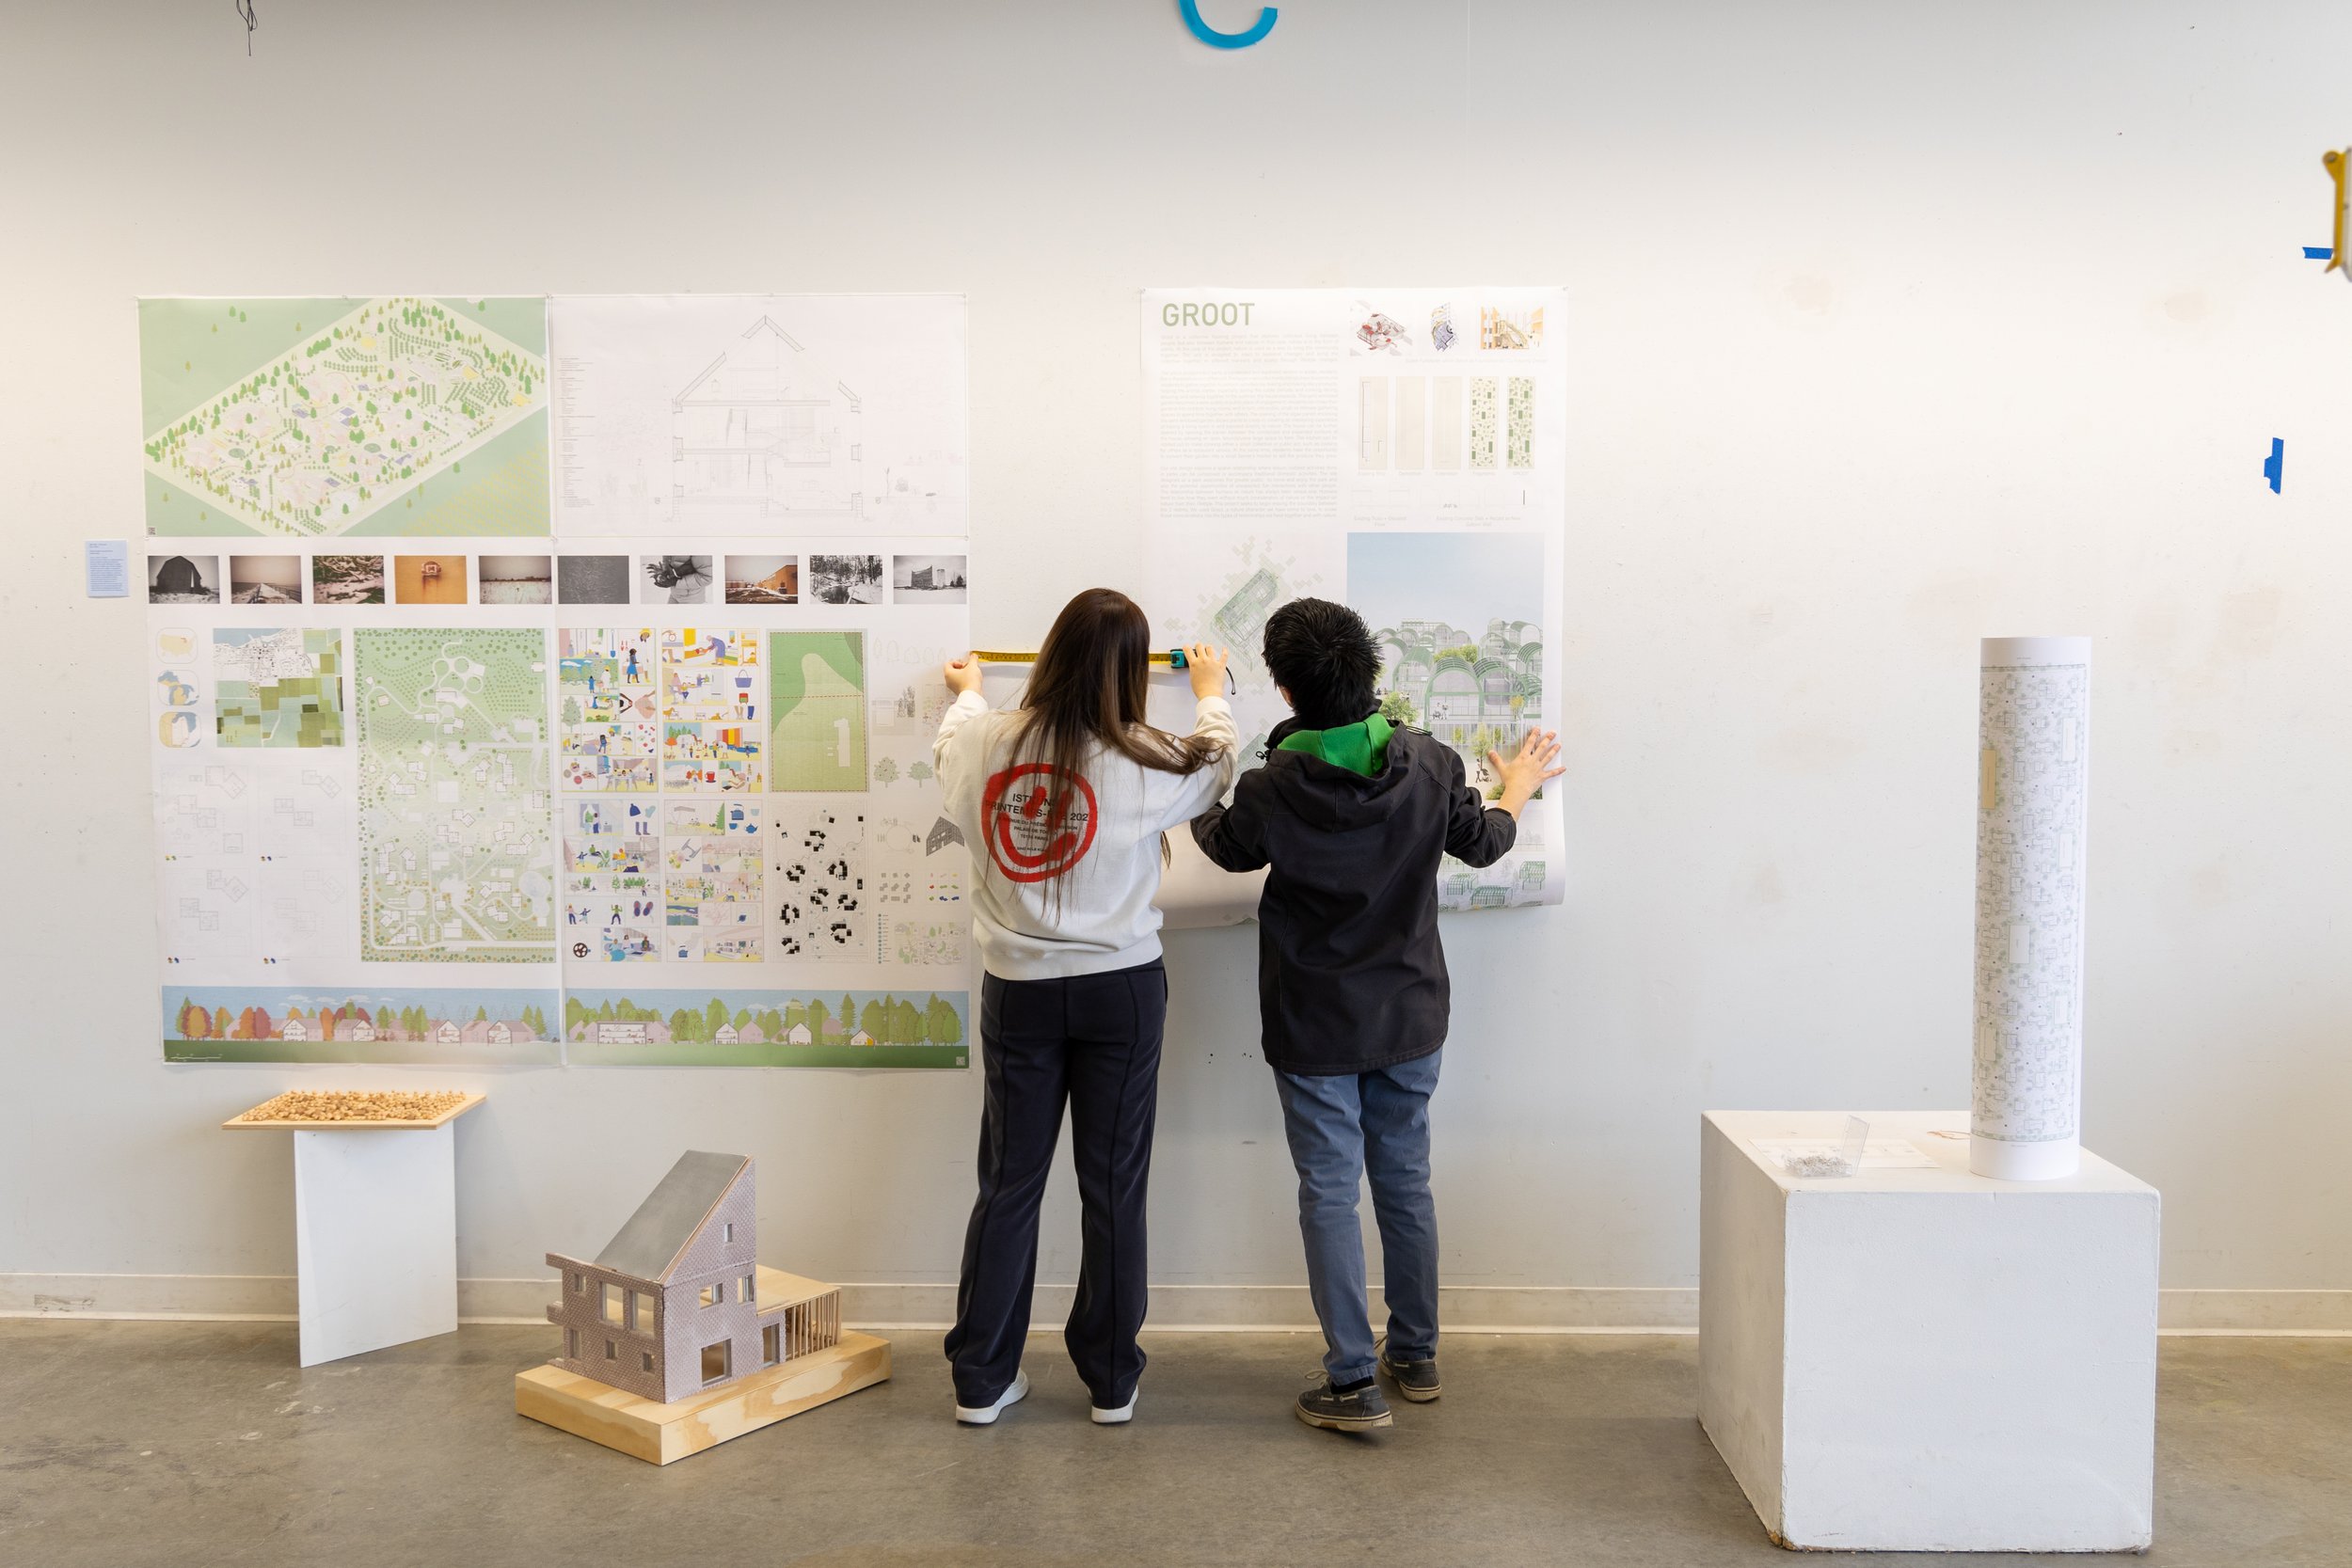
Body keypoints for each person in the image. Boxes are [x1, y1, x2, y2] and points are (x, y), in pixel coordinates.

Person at [1190, 598, 1563, 1433]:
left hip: (1313, 1021)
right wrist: (1519, 786)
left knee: (1328, 1188)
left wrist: (1199, 783)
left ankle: (1352, 1380)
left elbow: (1227, 846)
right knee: (1405, 1180)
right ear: (1372, 673)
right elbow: (1485, 842)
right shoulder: (1430, 766)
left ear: (1285, 693)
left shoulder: (1273, 785)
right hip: (1408, 1015)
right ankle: (1417, 1355)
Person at [933, 589, 1236, 1427]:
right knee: (1113, 1184)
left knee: (1009, 1183)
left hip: (1018, 993)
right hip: (1122, 993)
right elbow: (1217, 765)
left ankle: (983, 1379)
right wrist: (1210, 688)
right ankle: (1111, 1379)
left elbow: (955, 738)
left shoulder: (989, 743)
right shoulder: (1143, 757)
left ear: (1052, 652)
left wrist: (966, 687)